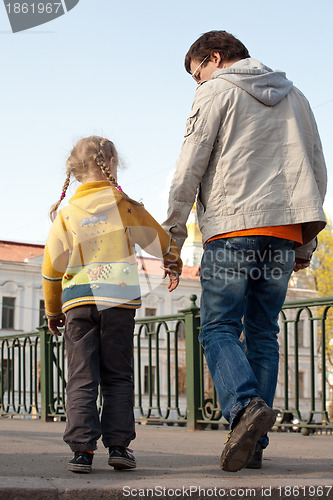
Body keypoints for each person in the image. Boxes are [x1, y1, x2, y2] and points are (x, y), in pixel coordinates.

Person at [163, 31, 327, 472]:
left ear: (214, 58)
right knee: (262, 332)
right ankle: (253, 445)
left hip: (233, 227)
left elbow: (189, 165)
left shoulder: (215, 93)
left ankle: (243, 408)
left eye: (197, 74)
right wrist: (305, 240)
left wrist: (174, 237)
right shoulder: (298, 97)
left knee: (217, 327)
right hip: (283, 232)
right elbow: (315, 167)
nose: (198, 84)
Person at [42, 136, 182, 473]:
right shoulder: (125, 206)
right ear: (113, 164)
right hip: (118, 303)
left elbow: (51, 269)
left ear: (75, 172)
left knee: (81, 377)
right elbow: (159, 241)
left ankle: (82, 451)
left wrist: (52, 309)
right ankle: (119, 447)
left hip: (77, 304)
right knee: (118, 376)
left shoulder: (67, 214)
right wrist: (172, 262)